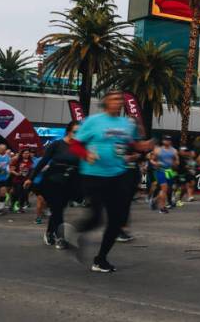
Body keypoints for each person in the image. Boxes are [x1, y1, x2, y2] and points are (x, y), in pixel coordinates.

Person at [61, 92, 152, 273]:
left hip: (118, 175)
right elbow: (75, 144)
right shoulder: (93, 121)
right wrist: (87, 154)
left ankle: (100, 259)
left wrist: (141, 146)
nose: (118, 102)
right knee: (96, 218)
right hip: (93, 175)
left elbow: (132, 143)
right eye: (114, 99)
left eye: (120, 100)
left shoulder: (127, 124)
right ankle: (71, 231)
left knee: (117, 220)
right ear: (105, 103)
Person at [32, 122, 83, 248]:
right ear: (68, 131)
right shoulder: (57, 144)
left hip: (69, 183)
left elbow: (83, 166)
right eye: (75, 131)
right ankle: (61, 237)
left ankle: (49, 233)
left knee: (58, 209)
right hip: (52, 181)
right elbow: (43, 162)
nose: (77, 134)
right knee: (57, 209)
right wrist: (31, 178)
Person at [151, 135, 178, 214]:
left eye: (169, 140)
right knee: (164, 189)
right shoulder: (158, 150)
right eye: (165, 139)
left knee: (168, 190)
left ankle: (154, 200)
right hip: (161, 170)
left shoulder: (174, 151)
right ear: (162, 141)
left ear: (171, 141)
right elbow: (152, 160)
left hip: (169, 171)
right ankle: (162, 208)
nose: (167, 141)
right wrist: (156, 163)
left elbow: (177, 162)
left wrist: (175, 164)